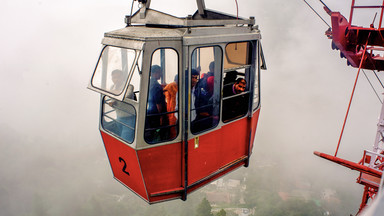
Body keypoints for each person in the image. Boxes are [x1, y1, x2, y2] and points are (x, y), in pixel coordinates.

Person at [108, 69, 135, 143]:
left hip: (129, 118)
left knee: (125, 140)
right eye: (114, 78)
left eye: (118, 77)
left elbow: (126, 96)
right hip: (119, 117)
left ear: (122, 78)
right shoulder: (112, 87)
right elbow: (112, 99)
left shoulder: (129, 86)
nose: (116, 80)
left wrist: (114, 91)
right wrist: (112, 103)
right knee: (121, 137)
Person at [145, 65, 169, 142]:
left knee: (152, 130)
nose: (160, 74)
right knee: (159, 131)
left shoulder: (148, 82)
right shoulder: (156, 86)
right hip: (156, 113)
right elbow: (158, 103)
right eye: (159, 72)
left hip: (150, 110)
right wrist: (161, 116)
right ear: (153, 73)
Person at [164, 74, 178, 138]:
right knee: (173, 127)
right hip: (173, 109)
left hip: (171, 109)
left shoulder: (169, 86)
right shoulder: (173, 85)